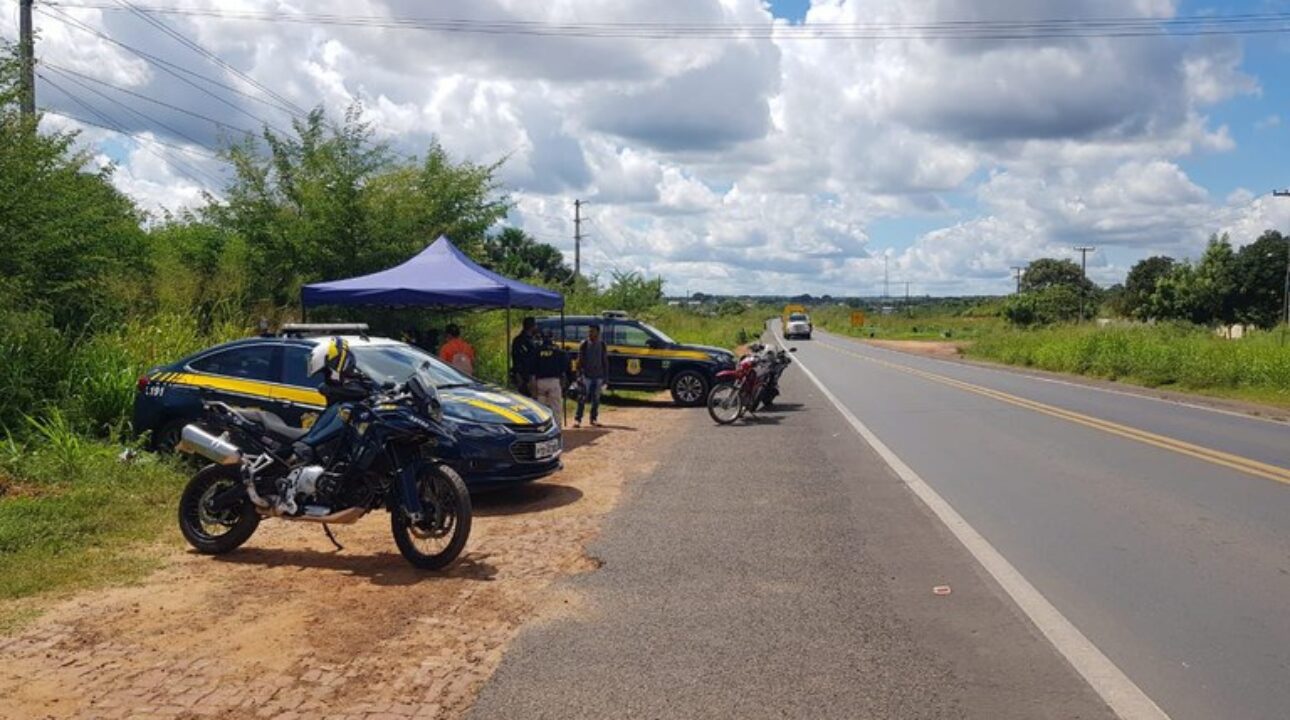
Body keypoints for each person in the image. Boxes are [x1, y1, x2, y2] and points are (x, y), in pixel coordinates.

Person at [574, 324, 610, 428]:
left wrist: (606, 378)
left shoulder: (602, 344)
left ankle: (593, 419)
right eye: (589, 331)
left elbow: (605, 361)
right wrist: (578, 375)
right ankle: (578, 419)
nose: (590, 333)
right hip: (586, 375)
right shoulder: (584, 344)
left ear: (598, 333)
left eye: (592, 331)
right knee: (582, 398)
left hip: (598, 375)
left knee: (596, 399)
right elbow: (579, 361)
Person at [532, 330, 566, 427]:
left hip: (540, 382)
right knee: (556, 408)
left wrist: (533, 385)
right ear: (552, 338)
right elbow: (564, 368)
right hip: (554, 382)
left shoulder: (536, 351)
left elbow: (532, 371)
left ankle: (542, 428)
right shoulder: (558, 351)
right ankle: (557, 427)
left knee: (541, 409)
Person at [510, 317, 539, 395]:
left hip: (532, 374)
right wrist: (518, 374)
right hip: (524, 375)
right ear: (532, 326)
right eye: (535, 325)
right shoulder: (520, 341)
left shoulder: (533, 339)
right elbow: (516, 358)